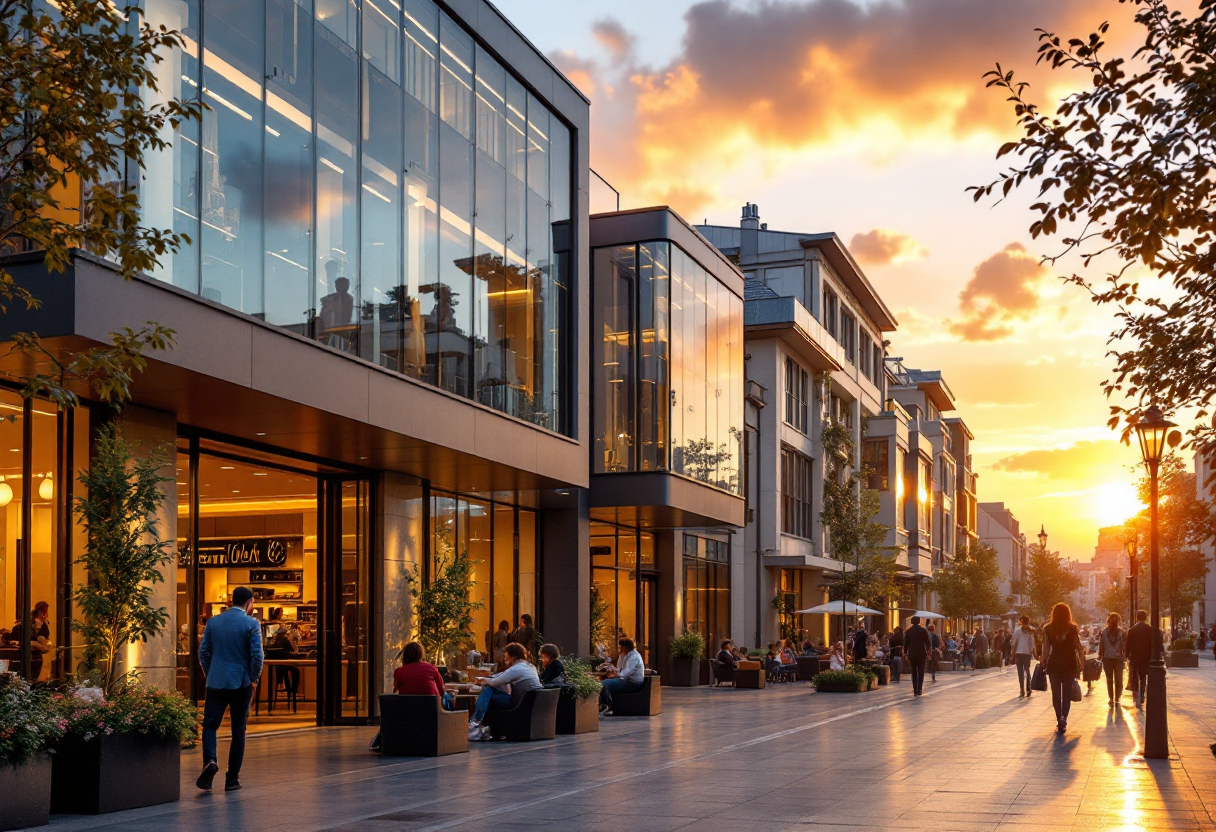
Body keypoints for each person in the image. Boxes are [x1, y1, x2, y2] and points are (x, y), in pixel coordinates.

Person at [197, 587, 264, 791]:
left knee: (210, 725)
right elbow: (257, 656)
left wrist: (211, 672)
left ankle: (210, 760)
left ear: (231, 601)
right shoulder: (251, 624)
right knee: (238, 730)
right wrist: (253, 679)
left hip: (216, 681)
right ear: (249, 602)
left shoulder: (213, 622)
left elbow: (203, 652)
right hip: (241, 682)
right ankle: (232, 779)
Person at [369, 641, 452, 752]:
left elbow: (396, 690)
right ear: (421, 654)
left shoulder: (399, 671)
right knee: (448, 698)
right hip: (431, 710)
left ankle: (383, 742)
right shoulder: (432, 668)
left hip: (408, 712)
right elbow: (441, 690)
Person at [468, 642, 541, 740]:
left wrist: (483, 680)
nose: (504, 657)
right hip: (527, 700)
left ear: (512, 655)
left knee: (488, 689)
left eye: (506, 654)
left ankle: (475, 722)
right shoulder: (530, 666)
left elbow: (494, 683)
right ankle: (478, 724)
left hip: (520, 703)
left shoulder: (516, 669)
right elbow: (502, 675)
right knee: (490, 693)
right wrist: (487, 679)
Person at [1041, 602, 1085, 734]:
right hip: (1069, 663)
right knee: (1066, 693)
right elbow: (1078, 646)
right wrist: (1082, 663)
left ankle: (1058, 717)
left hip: (1054, 663)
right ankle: (1064, 718)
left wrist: (1043, 662)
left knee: (1056, 693)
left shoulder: (1048, 629)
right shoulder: (1072, 628)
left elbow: (1045, 648)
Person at [599, 637, 645, 715]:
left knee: (603, 684)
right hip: (625, 680)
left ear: (626, 647)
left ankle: (607, 705)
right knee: (605, 683)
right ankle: (607, 704)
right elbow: (619, 669)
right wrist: (613, 672)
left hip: (632, 683)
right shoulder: (624, 655)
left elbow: (627, 672)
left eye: (621, 646)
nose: (620, 648)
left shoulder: (634, 656)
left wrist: (616, 675)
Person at [1097, 612, 1126, 707]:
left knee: (1112, 679)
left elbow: (1101, 645)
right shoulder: (1120, 632)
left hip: (1111, 658)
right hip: (1113, 659)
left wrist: (1100, 655)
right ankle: (1115, 697)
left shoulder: (1120, 632)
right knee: (1117, 679)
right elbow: (1101, 645)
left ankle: (1113, 698)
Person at [1126, 609, 1153, 709]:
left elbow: (1128, 645)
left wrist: (1127, 656)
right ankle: (1142, 694)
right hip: (1146, 657)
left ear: (1136, 617)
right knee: (1143, 676)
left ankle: (1136, 695)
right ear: (1146, 618)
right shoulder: (1150, 629)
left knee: (1135, 676)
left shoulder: (1132, 630)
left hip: (1135, 656)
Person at [904, 616, 932, 696]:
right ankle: (919, 689)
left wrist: (905, 653)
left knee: (913, 671)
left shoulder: (908, 631)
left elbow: (906, 644)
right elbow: (927, 642)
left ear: (912, 622)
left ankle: (915, 689)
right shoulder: (923, 630)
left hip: (912, 653)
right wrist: (928, 651)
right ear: (919, 621)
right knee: (921, 671)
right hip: (922, 653)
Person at [1010, 616, 1037, 698]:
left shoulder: (1017, 630)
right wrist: (1035, 653)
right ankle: (1028, 688)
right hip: (1027, 653)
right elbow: (1033, 643)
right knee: (1027, 671)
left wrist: (1012, 655)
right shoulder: (1032, 630)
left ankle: (1022, 690)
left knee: (1020, 673)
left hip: (1018, 653)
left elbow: (1014, 643)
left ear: (1020, 622)